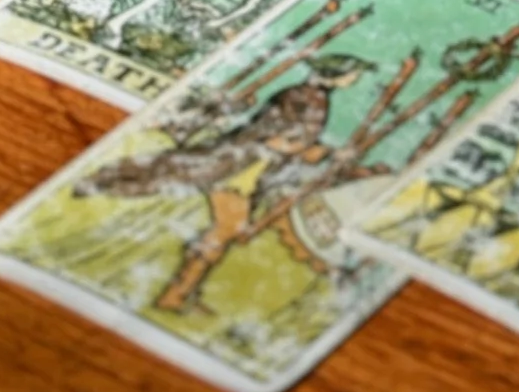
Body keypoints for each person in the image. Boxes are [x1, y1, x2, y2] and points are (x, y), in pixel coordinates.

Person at [83, 52, 375, 312]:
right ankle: (174, 295)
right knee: (222, 230)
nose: (355, 78)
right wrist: (327, 152)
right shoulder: (303, 98)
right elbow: (276, 139)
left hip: (254, 169)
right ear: (337, 75)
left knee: (219, 231)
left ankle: (181, 292)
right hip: (243, 170)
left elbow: (289, 140)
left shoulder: (312, 98)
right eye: (353, 73)